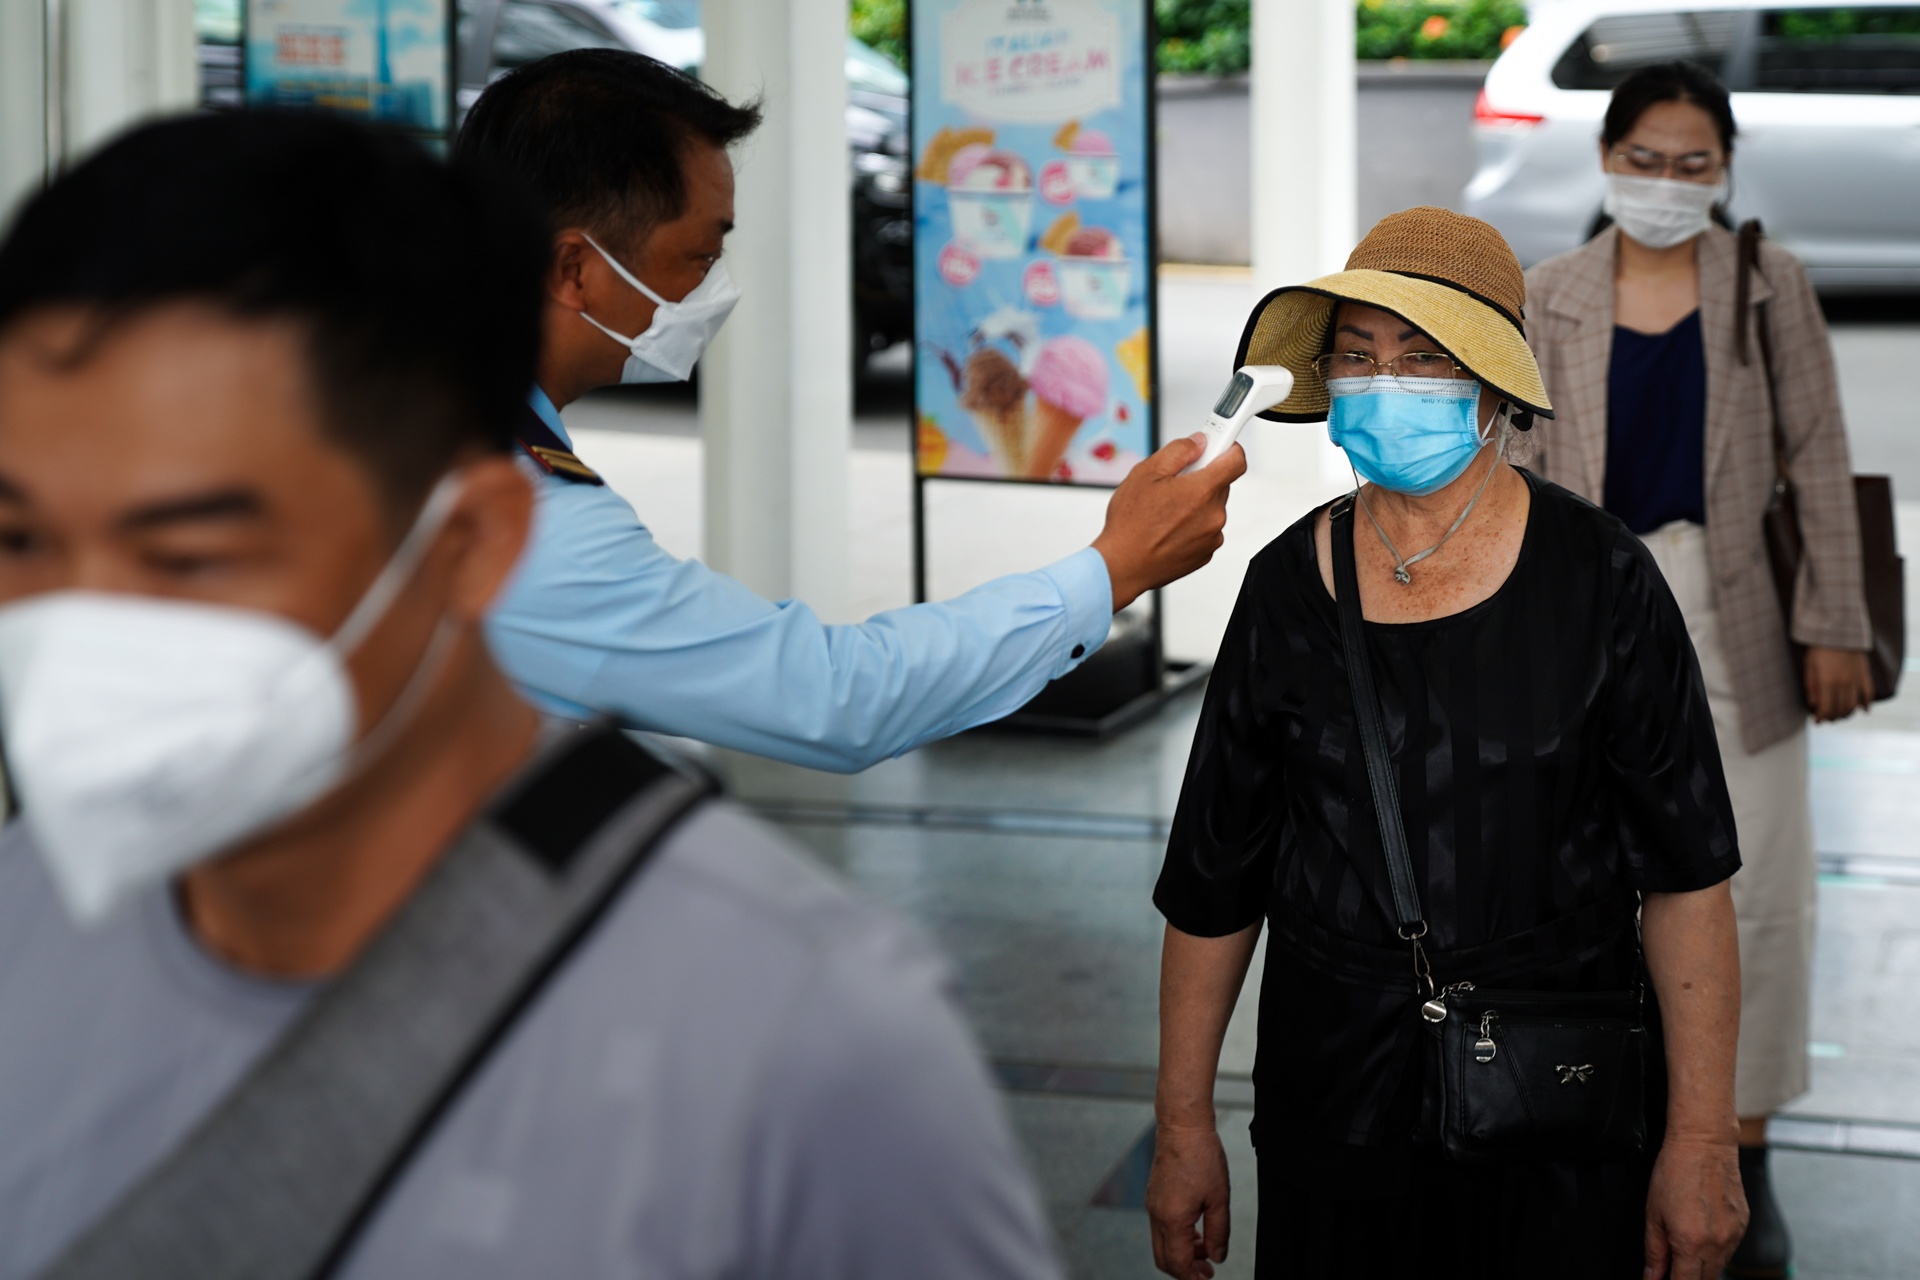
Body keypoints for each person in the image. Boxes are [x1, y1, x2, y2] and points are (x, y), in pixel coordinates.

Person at [0, 111, 1061, 1280]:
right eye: (22, 537)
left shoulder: (805, 1037)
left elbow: (827, 693)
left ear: (473, 542)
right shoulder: (28, 918)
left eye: (193, 549)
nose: (87, 621)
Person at [1143, 208, 1748, 1280]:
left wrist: (1701, 1137)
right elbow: (1214, 877)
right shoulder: (1287, 585)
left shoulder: (1602, 580)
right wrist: (1182, 1118)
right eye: (1360, 356)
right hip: (1332, 1098)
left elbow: (1689, 875)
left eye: (1426, 360)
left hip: (1556, 1100)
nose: (1388, 384)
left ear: (1494, 386)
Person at [452, 49, 1244, 772]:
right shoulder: (523, 523)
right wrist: (1114, 567)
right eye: (699, 255)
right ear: (573, 268)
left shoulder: (400, 413)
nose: (712, 290)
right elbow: (836, 695)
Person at [1523, 62, 1873, 1278]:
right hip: (1587, 618)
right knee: (1583, 877)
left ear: (1723, 170)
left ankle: (1743, 1139)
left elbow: (1821, 459)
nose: (1668, 184)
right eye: (1646, 160)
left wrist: (1837, 621)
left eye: (1694, 164)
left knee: (1761, 882)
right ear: (1608, 157)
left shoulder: (1769, 286)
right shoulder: (1545, 294)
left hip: (1738, 620)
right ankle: (1603, 1118)